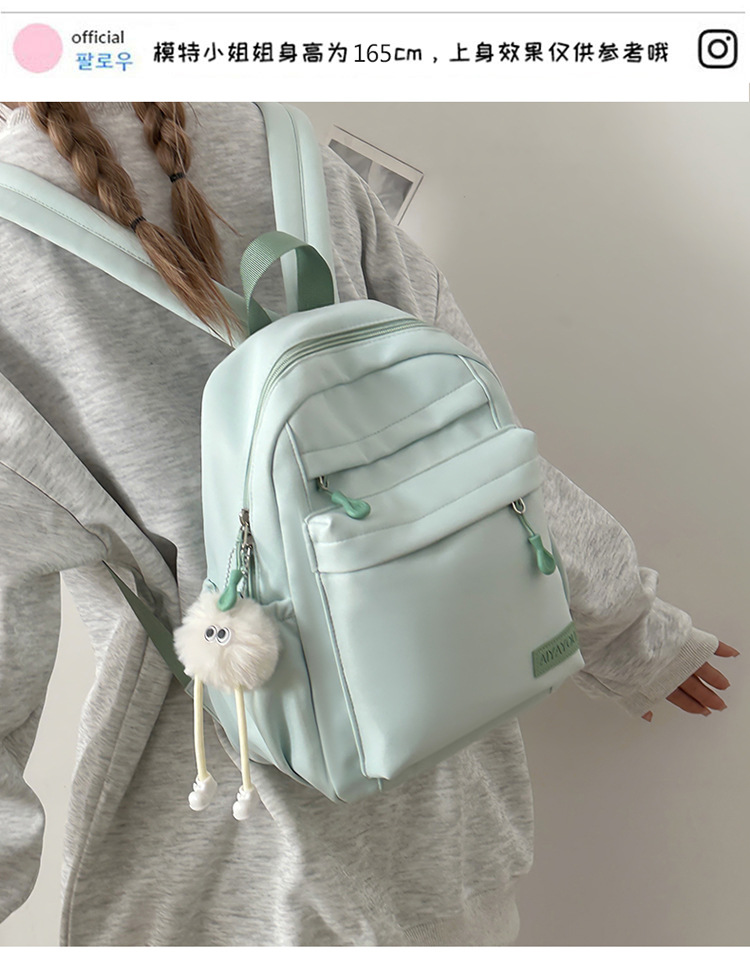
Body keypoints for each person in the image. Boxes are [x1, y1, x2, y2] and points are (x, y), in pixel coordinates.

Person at [0, 102, 738, 947]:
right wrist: (631, 631)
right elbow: (477, 442)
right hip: (446, 789)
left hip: (218, 838)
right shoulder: (282, 142)